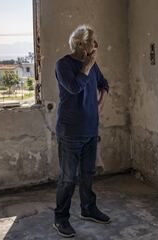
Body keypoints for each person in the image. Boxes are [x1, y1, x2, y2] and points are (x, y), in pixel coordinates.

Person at [53, 25, 110, 238]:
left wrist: (99, 104)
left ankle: (88, 209)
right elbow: (75, 87)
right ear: (80, 44)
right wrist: (87, 65)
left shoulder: (93, 65)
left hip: (90, 129)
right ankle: (61, 218)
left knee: (88, 174)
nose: (96, 45)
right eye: (92, 41)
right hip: (70, 132)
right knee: (68, 178)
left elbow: (105, 84)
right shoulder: (63, 65)